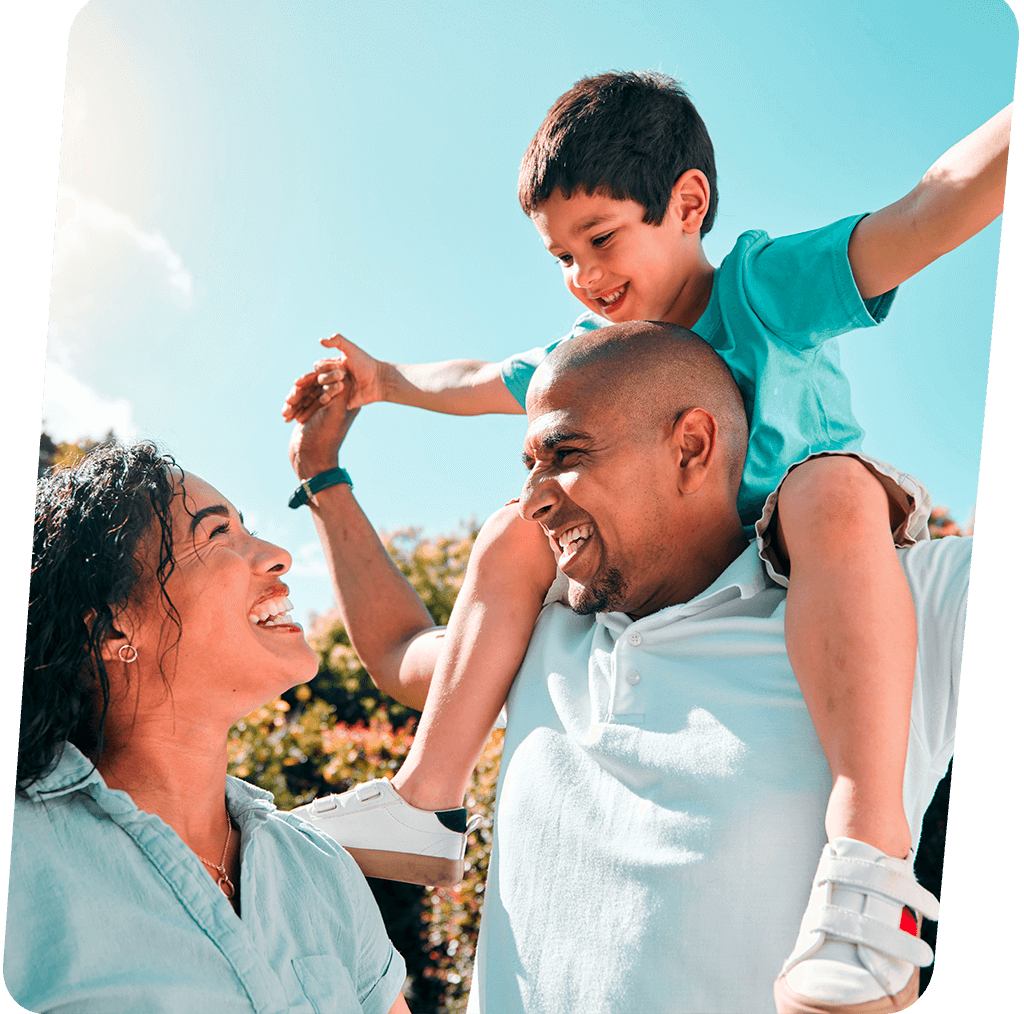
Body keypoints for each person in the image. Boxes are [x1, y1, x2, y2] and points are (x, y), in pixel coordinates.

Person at [283, 72, 1003, 1010]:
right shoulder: (588, 362)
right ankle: (428, 794)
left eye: (600, 239)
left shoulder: (760, 289)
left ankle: (868, 864)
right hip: (682, 576)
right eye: (561, 257)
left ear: (687, 204)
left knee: (822, 490)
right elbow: (476, 378)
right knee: (507, 527)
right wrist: (382, 384)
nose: (583, 275)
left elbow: (929, 208)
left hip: (822, 547)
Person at [284, 322, 968, 1014]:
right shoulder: (533, 628)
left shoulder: (880, 602)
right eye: (529, 466)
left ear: (691, 448)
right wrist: (321, 476)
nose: (532, 500)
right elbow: (402, 653)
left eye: (566, 453)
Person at [7, 441, 411, 1014]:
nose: (277, 555)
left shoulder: (320, 870)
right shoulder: (26, 862)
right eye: (217, 533)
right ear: (116, 625)